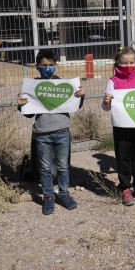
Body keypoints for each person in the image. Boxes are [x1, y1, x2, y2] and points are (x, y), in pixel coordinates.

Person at [18, 49, 84, 215]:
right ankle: (48, 196)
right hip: (42, 133)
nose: (48, 68)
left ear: (56, 65)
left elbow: (75, 106)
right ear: (37, 67)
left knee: (63, 166)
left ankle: (64, 193)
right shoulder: (32, 87)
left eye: (51, 65)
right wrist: (21, 104)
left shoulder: (64, 85)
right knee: (45, 168)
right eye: (44, 65)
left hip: (62, 130)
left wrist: (80, 96)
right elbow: (28, 114)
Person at [102, 47, 135, 206]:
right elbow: (106, 107)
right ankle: (125, 188)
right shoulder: (113, 81)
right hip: (121, 127)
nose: (127, 65)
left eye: (131, 62)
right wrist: (106, 102)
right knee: (123, 158)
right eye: (124, 63)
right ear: (117, 63)